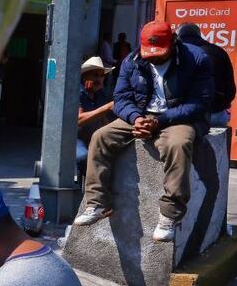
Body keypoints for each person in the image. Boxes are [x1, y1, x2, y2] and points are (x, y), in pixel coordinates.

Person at [74, 21, 213, 242]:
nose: (154, 58)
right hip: (139, 115)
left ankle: (170, 214)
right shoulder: (132, 61)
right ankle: (97, 203)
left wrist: (161, 120)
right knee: (100, 137)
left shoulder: (196, 59)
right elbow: (121, 98)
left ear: (173, 43)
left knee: (178, 144)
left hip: (177, 117)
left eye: (160, 53)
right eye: (150, 52)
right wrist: (136, 118)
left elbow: (201, 102)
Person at [176, 22, 234, 128]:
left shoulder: (174, 52)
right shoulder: (219, 52)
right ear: (199, 34)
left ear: (178, 35)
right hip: (215, 113)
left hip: (182, 115)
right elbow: (230, 88)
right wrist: (223, 104)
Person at [76, 56, 115, 177]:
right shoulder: (78, 92)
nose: (99, 79)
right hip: (75, 140)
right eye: (95, 75)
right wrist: (106, 108)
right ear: (85, 76)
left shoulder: (100, 95)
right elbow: (78, 119)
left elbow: (103, 121)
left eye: (101, 76)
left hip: (93, 138)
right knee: (84, 157)